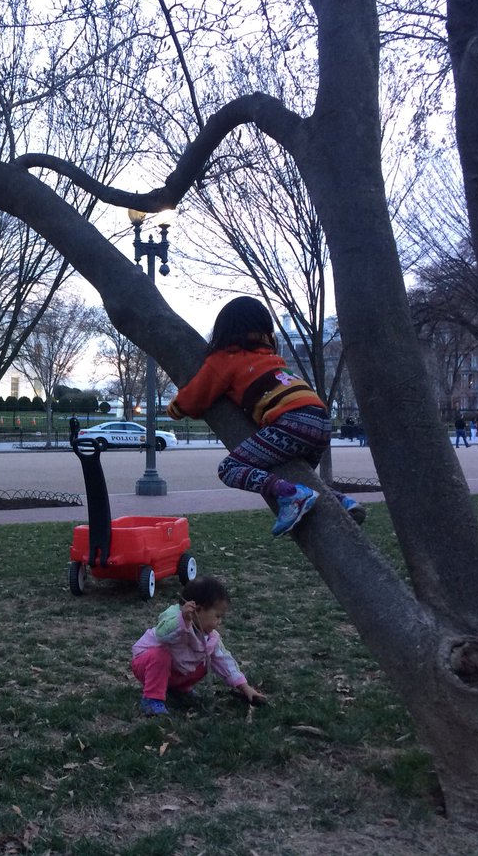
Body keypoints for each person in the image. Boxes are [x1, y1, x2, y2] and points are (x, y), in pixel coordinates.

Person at [165, 296, 364, 535]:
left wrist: (174, 409)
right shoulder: (271, 358)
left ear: (224, 329)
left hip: (291, 420)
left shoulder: (225, 358)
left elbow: (195, 399)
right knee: (299, 474)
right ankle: (342, 502)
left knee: (230, 468)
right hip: (319, 419)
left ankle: (291, 496)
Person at [131, 575, 266, 716]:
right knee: (160, 656)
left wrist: (244, 687)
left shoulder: (210, 637)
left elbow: (224, 661)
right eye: (218, 616)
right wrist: (182, 621)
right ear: (198, 610)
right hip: (146, 665)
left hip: (175, 670)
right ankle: (152, 699)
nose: (219, 622)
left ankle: (180, 688)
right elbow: (162, 634)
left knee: (207, 661)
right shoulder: (173, 616)